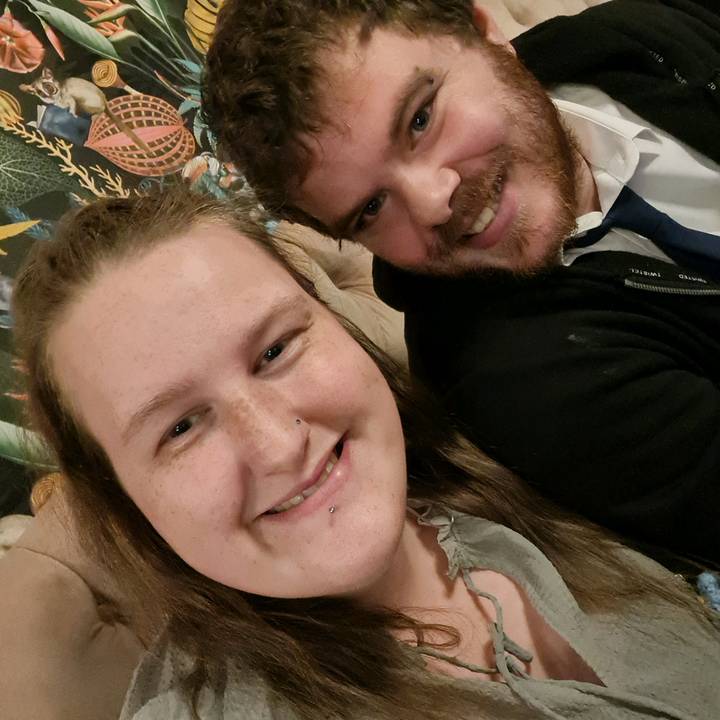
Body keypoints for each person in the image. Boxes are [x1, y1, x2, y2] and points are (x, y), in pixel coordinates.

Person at [12, 188, 720, 719]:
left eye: (275, 350)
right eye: (180, 428)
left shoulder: (514, 444)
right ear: (124, 500)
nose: (278, 444)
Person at [201, 0, 720, 561]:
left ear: (483, 32)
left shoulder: (627, 42)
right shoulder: (515, 380)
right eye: (372, 208)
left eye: (420, 121)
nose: (433, 203)